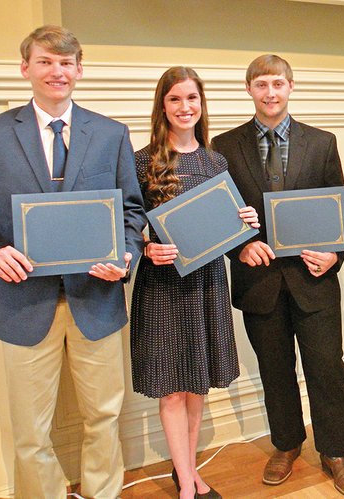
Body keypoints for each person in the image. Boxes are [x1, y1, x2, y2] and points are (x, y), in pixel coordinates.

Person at [0, 25, 145, 498]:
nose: (56, 71)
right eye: (45, 62)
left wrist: (125, 251)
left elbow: (132, 212)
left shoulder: (111, 133)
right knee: (31, 431)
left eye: (65, 63)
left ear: (79, 70)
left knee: (103, 416)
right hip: (22, 303)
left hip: (95, 299)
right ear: (26, 69)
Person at [211, 54, 344, 498]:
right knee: (274, 370)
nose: (270, 92)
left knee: (327, 369)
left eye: (278, 83)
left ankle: (337, 452)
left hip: (313, 279)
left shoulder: (321, 142)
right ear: (249, 90)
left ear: (290, 86)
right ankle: (286, 444)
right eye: (261, 85)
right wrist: (239, 245)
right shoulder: (223, 146)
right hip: (258, 281)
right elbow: (220, 215)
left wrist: (334, 255)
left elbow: (342, 208)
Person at [130, 67, 260, 499]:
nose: (185, 108)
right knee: (171, 388)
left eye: (192, 99)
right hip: (163, 289)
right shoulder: (141, 159)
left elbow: (226, 233)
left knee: (196, 383)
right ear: (162, 106)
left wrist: (244, 227)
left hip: (207, 285)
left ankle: (188, 472)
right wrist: (147, 247)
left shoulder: (214, 161)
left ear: (201, 106)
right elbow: (129, 226)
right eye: (175, 100)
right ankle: (187, 482)